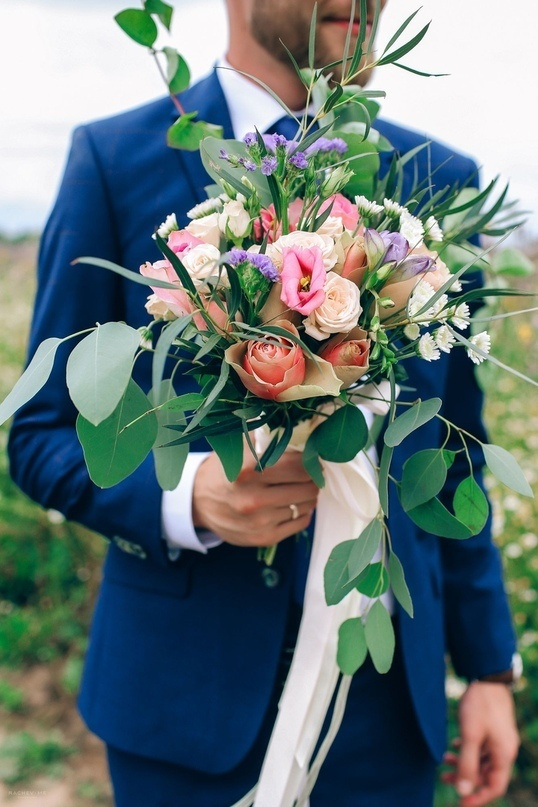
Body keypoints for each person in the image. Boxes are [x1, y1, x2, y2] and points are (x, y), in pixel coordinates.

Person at [8, 1, 520, 805]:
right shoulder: (112, 161)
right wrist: (188, 497)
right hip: (183, 708)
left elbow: (452, 455)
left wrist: (490, 666)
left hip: (384, 708)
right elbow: (42, 437)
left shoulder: (441, 182)